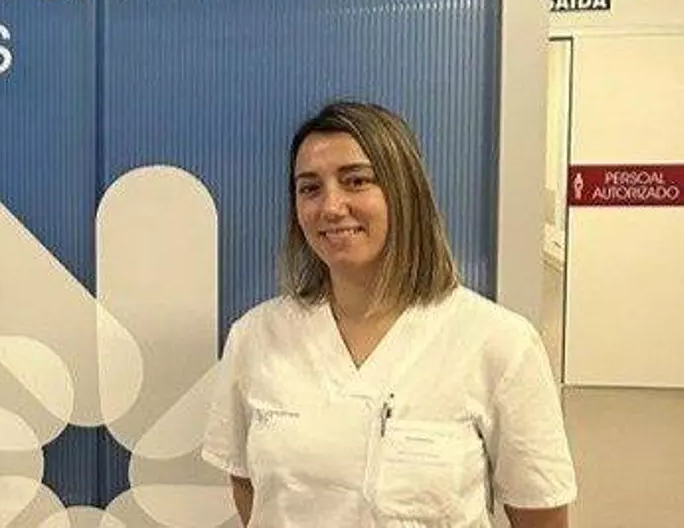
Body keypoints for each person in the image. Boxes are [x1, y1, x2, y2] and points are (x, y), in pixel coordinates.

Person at [202, 101, 576, 527]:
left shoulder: (497, 342)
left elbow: (541, 515)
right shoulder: (256, 336)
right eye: (310, 188)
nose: (331, 206)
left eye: (356, 181)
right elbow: (248, 486)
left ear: (404, 192)